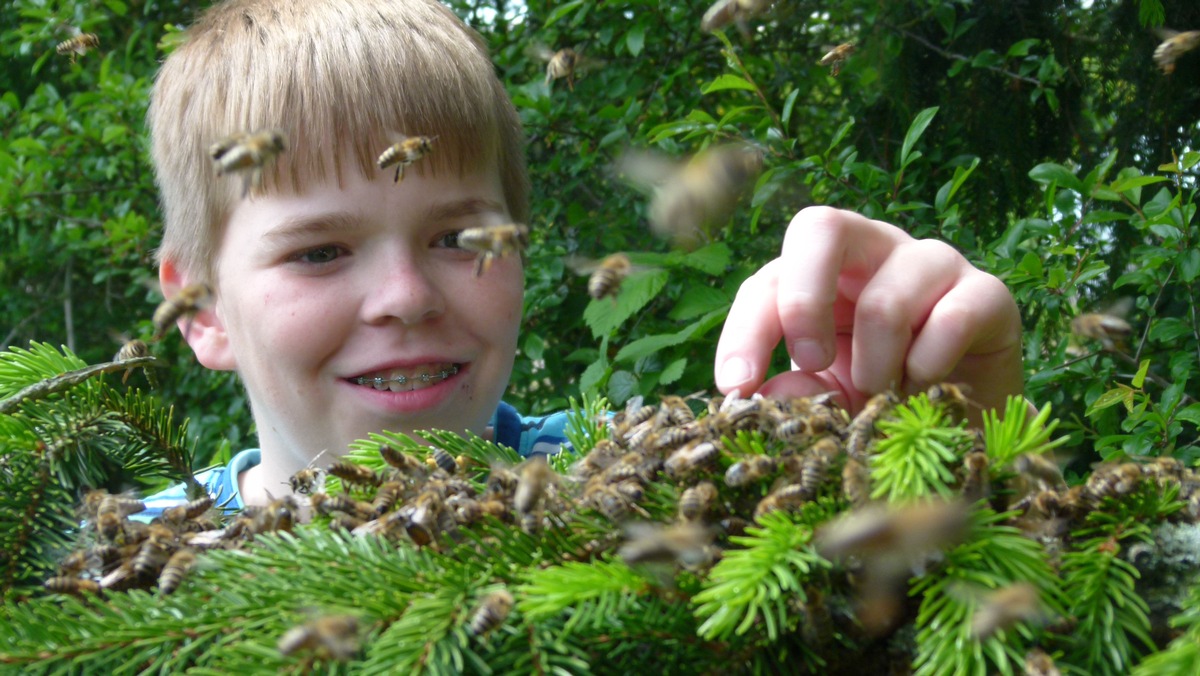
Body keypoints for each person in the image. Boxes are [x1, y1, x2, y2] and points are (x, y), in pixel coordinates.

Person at [141, 0, 1025, 516]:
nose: (405, 297)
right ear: (202, 310)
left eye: (460, 239)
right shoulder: (110, 577)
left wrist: (939, 440)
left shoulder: (633, 488)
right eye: (321, 251)